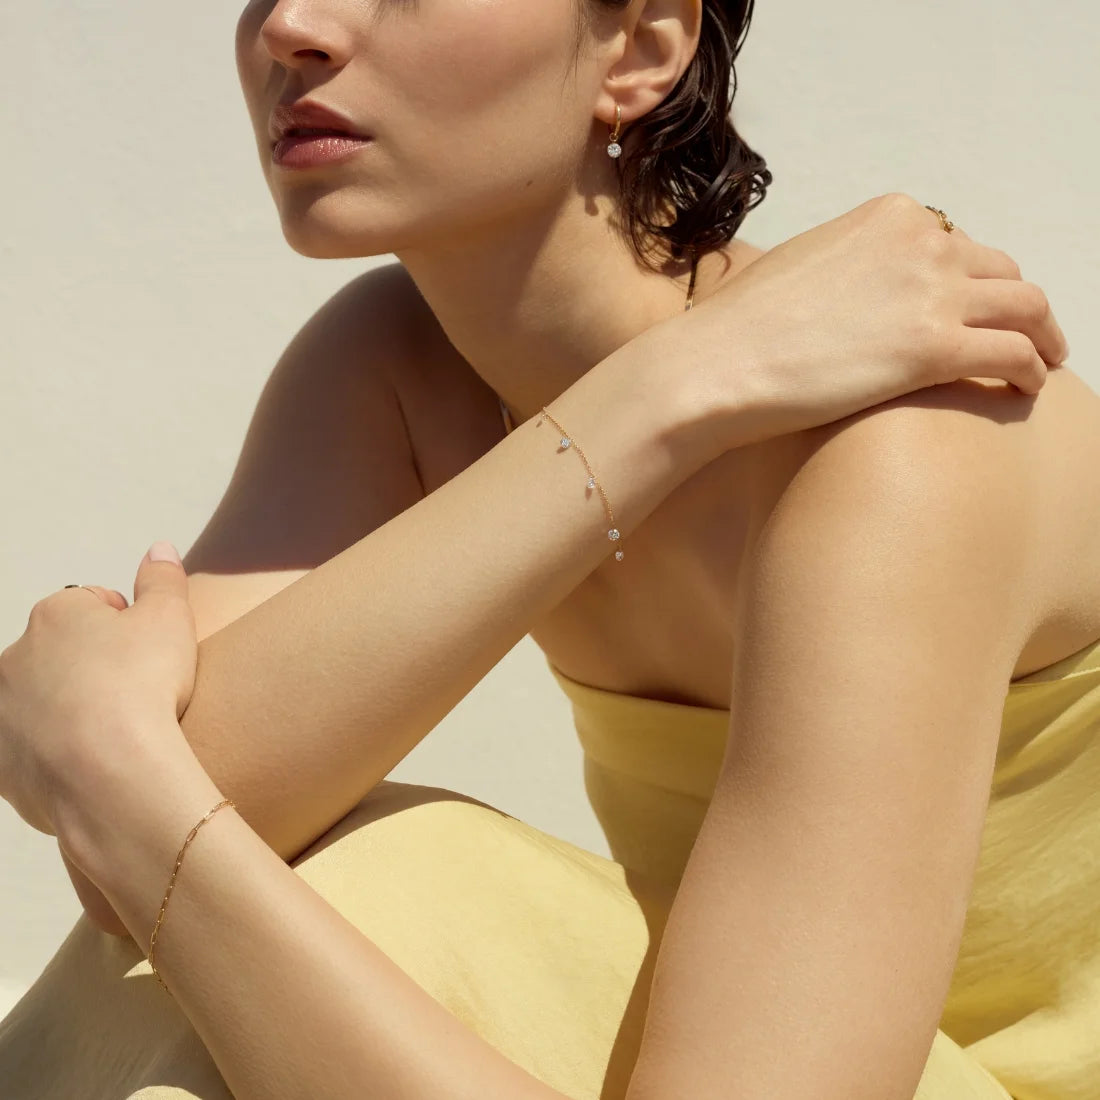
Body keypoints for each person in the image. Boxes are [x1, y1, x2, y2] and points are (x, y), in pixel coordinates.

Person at [0, 0, 1092, 1097]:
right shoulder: (393, 371)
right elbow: (131, 829)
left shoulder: (903, 445)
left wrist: (103, 769)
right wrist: (670, 393)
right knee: (205, 923)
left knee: (375, 878)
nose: (292, 26)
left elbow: (123, 794)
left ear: (641, 49)